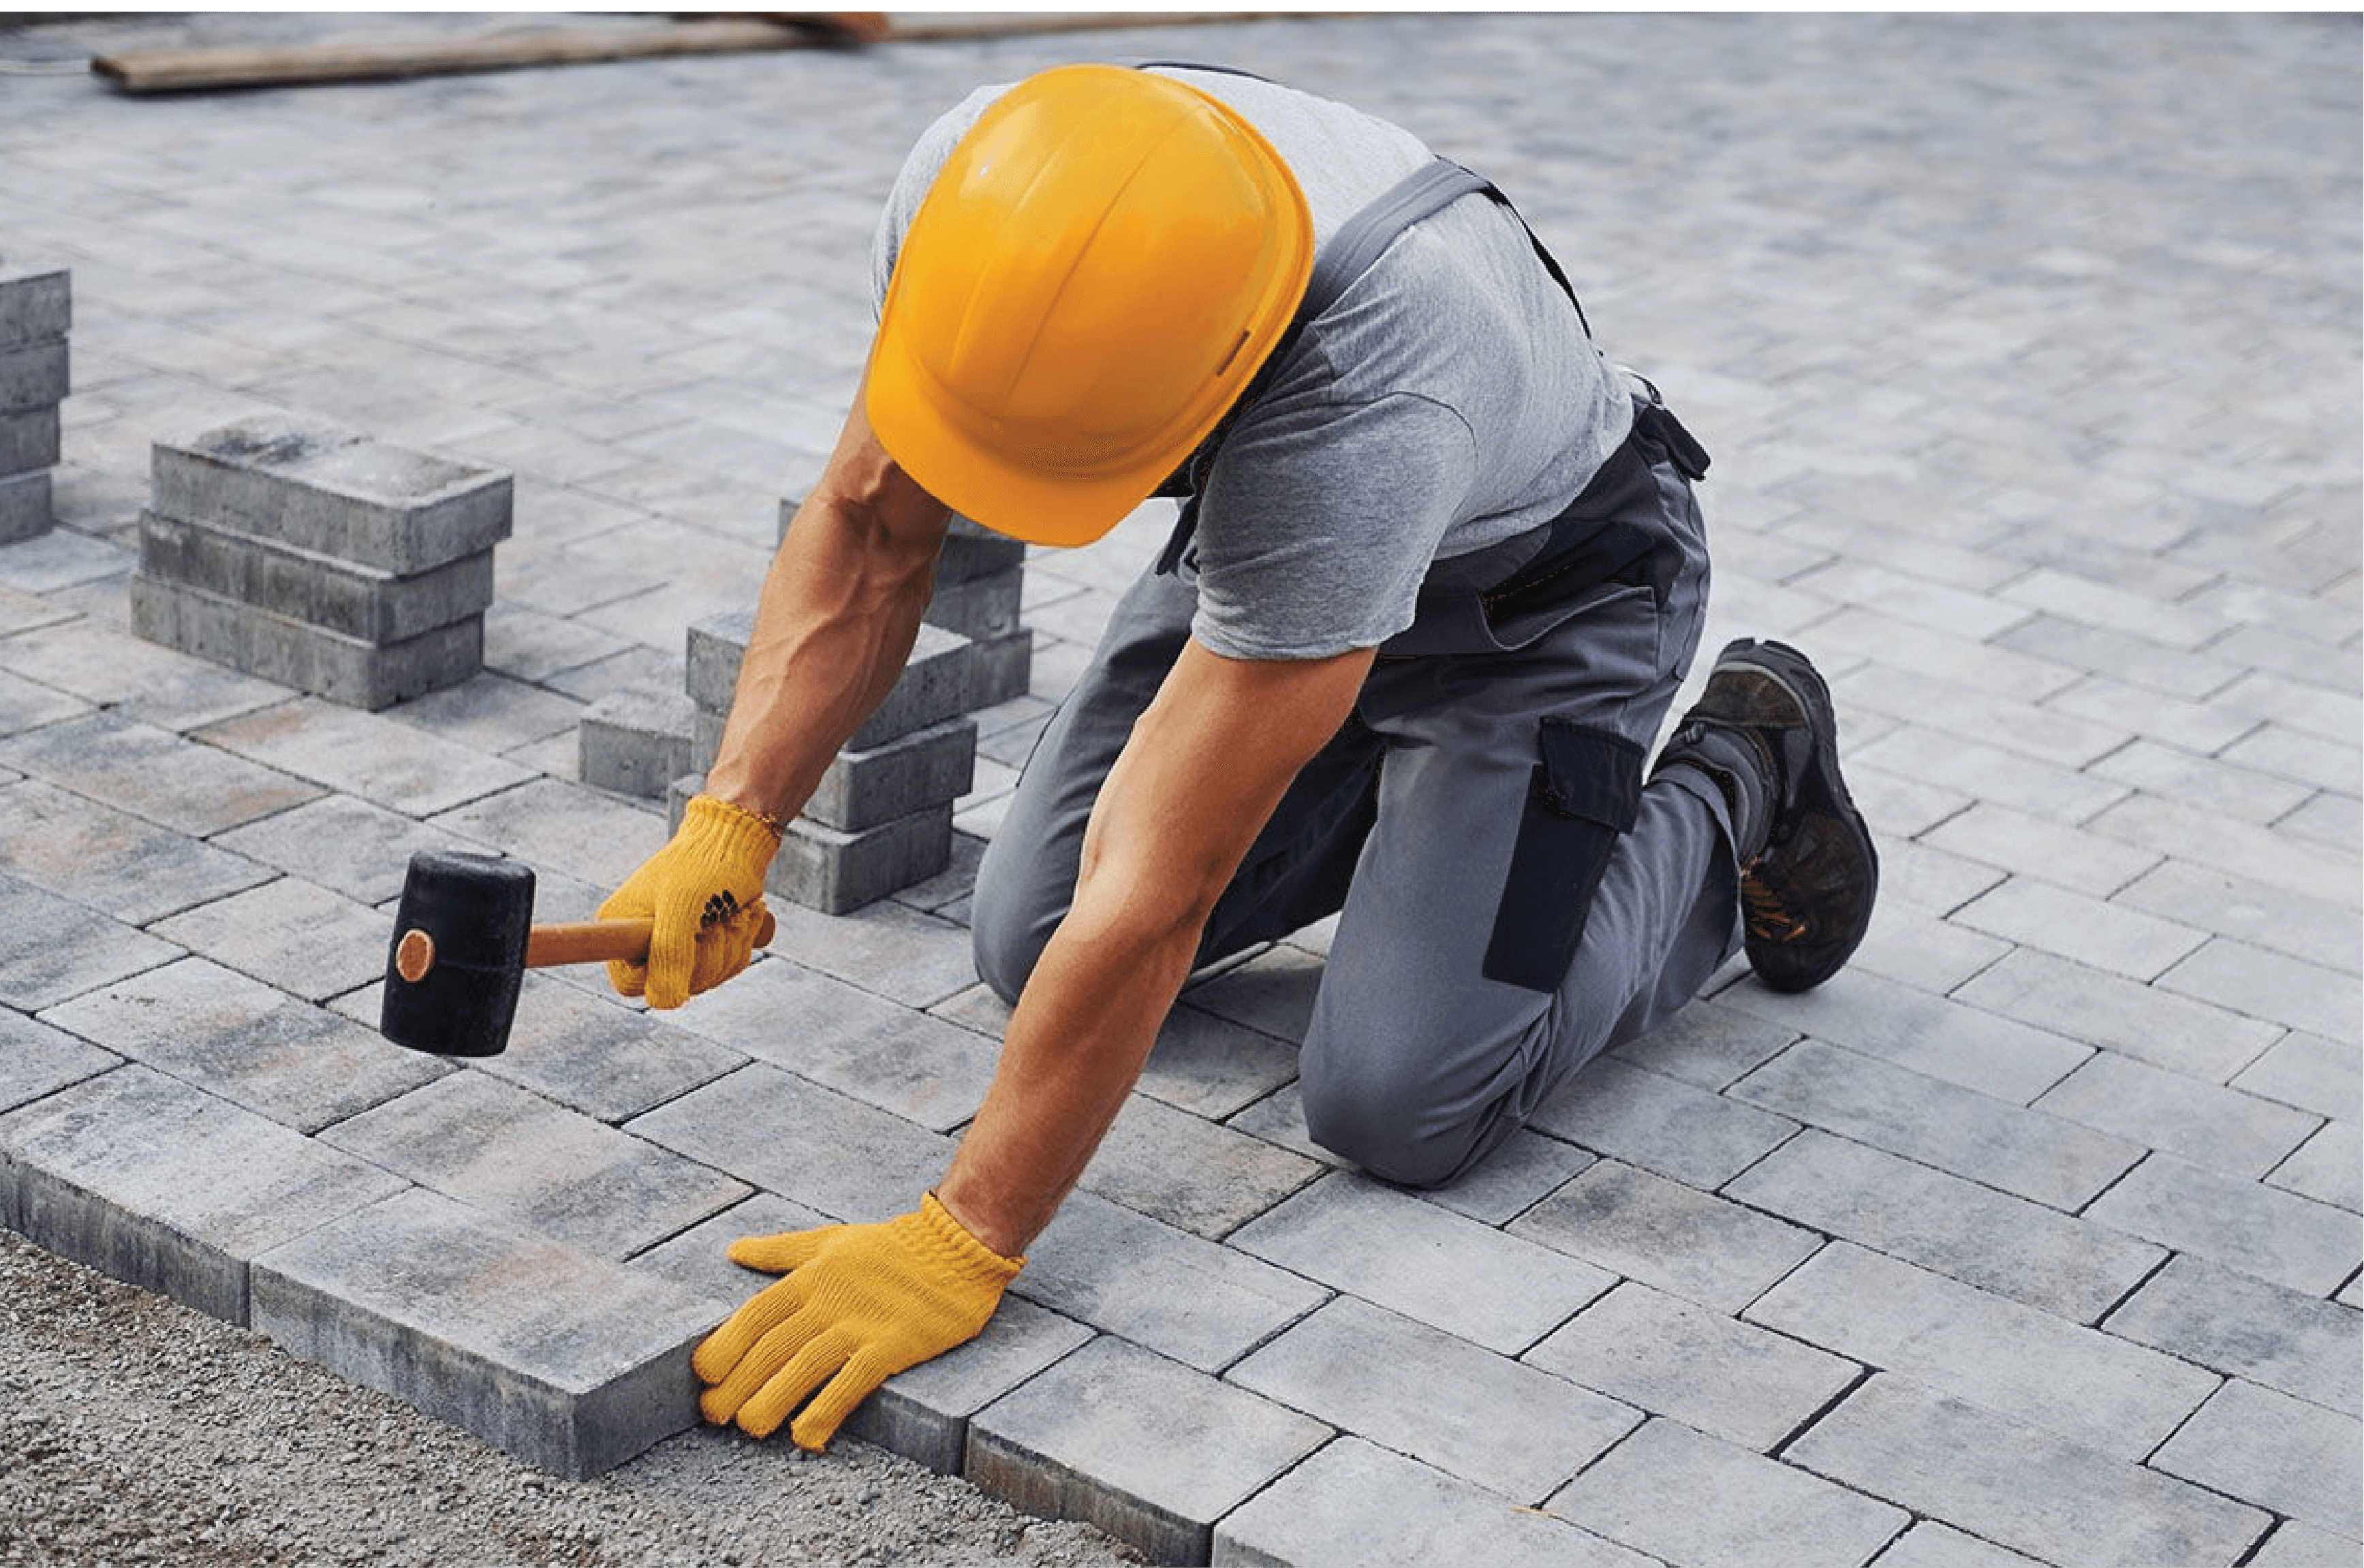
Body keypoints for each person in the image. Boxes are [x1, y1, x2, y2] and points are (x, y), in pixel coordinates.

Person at [596, 62, 1878, 1452]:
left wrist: (962, 1235)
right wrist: (733, 820)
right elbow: (869, 519)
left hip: (1540, 610)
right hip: (1282, 572)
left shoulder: (1368, 389)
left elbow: (1158, 889)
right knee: (1032, 939)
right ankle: (1407, 824)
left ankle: (1741, 767)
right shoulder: (994, 183)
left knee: (1402, 1097)